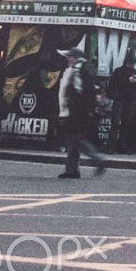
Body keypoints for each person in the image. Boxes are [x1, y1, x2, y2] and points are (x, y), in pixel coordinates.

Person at [56, 47, 106, 179]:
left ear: (75, 57)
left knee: (76, 139)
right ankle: (72, 170)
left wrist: (79, 110)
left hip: (75, 112)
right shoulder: (81, 68)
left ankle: (97, 159)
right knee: (73, 141)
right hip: (76, 111)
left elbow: (80, 92)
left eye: (69, 56)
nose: (67, 58)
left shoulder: (78, 69)